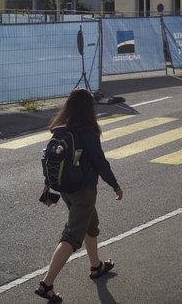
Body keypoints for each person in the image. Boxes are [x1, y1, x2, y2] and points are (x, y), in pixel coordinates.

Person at [35, 89, 123, 303]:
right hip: (83, 190)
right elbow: (100, 162)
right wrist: (115, 185)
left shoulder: (61, 130)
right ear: (88, 108)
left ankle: (96, 266)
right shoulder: (87, 131)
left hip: (66, 189)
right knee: (73, 235)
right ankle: (46, 285)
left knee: (90, 226)